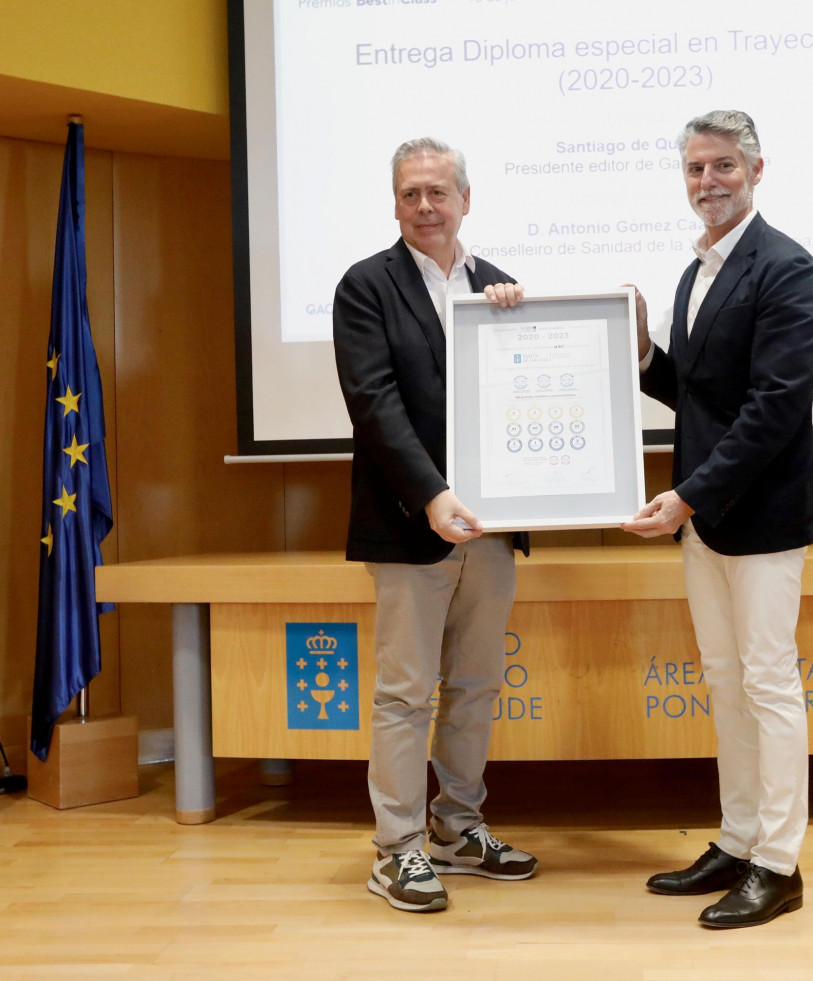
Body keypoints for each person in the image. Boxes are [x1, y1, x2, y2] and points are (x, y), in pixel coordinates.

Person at [332, 137, 537, 914]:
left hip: (489, 528)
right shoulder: (364, 286)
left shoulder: (496, 286)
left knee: (477, 686)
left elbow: (522, 401)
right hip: (408, 524)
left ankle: (457, 827)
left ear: (464, 199)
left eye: (437, 192)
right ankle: (397, 848)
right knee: (404, 693)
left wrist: (521, 328)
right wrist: (430, 494)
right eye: (410, 193)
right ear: (394, 204)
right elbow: (374, 405)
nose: (424, 206)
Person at [623, 110, 813, 929]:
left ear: (756, 170)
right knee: (724, 682)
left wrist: (689, 495)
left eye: (723, 166)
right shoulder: (691, 271)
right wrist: (636, 353)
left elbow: (774, 409)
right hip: (703, 517)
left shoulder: (788, 268)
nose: (708, 182)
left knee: (768, 685)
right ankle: (736, 839)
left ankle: (778, 861)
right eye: (696, 168)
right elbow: (697, 397)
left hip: (763, 516)